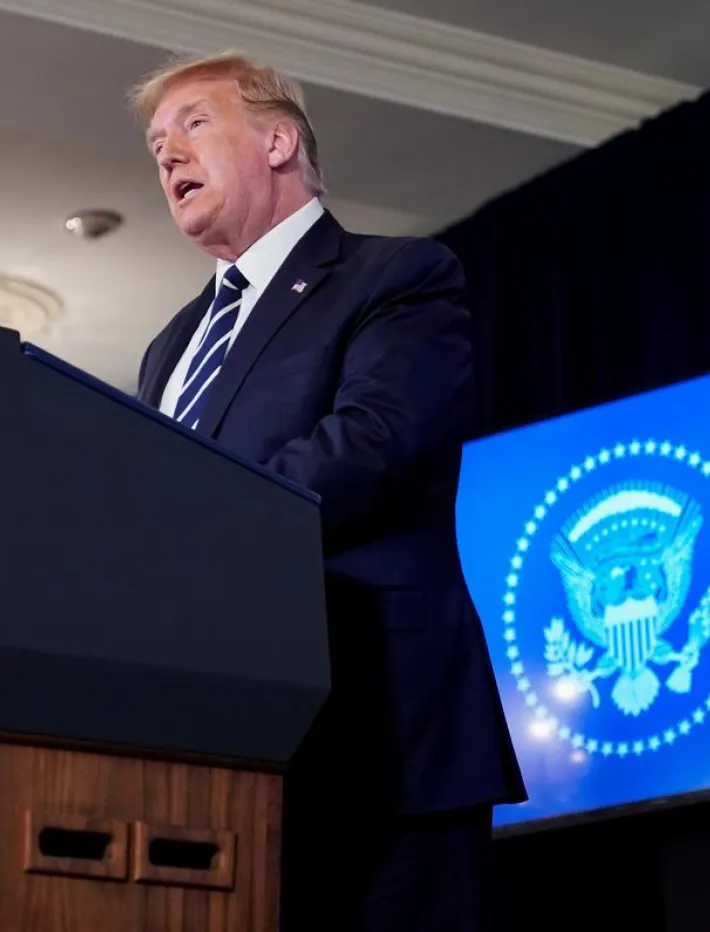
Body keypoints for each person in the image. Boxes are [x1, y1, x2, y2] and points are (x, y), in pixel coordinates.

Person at [129, 52, 526, 931]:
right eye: (156, 145)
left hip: (380, 730)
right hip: (222, 752)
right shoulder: (171, 346)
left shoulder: (397, 276)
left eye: (194, 125)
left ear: (278, 142)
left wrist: (186, 531)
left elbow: (373, 443)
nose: (167, 156)